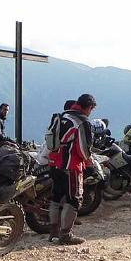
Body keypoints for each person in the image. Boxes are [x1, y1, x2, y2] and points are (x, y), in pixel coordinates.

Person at [48, 94, 96, 245]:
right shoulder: (82, 122)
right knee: (74, 199)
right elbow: (83, 149)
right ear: (89, 107)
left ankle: (53, 232)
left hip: (54, 163)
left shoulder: (62, 116)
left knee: (56, 198)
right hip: (70, 166)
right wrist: (89, 162)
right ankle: (65, 235)